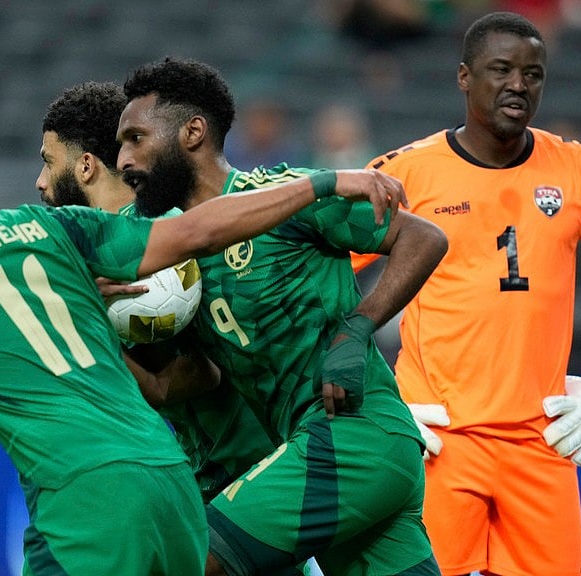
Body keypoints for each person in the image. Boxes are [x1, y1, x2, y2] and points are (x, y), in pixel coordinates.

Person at [0, 114, 403, 576]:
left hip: (82, 498)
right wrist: (322, 183)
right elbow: (195, 232)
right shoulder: (54, 229)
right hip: (172, 484)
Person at [352, 12, 581, 575]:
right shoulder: (407, 173)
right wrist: (375, 396)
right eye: (501, 69)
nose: (518, 85)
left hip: (543, 441)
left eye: (532, 73)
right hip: (438, 439)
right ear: (464, 77)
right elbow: (316, 268)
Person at [116, 57, 447, 575]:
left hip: (353, 434)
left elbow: (423, 237)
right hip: (326, 447)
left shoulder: (284, 195)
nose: (124, 159)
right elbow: (164, 384)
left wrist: (357, 328)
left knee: (190, 559)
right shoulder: (176, 257)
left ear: (192, 133)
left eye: (135, 138)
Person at [36, 80, 279, 503]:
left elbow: (196, 375)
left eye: (48, 162)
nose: (40, 182)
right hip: (215, 463)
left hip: (246, 468)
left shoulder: (151, 243)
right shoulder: (144, 233)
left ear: (86, 166)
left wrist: (84, 313)